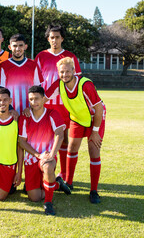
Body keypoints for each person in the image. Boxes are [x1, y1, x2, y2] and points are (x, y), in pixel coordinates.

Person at [45, 57, 106, 204]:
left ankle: (94, 190)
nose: (64, 74)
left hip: (94, 119)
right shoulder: (59, 84)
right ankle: (69, 182)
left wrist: (95, 131)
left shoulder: (85, 85)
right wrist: (30, 108)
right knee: (71, 149)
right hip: (77, 118)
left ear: (74, 71)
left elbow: (98, 108)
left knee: (94, 151)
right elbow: (44, 98)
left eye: (67, 71)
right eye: (61, 72)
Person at [35, 24, 82, 181]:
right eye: (51, 37)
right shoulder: (41, 56)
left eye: (57, 37)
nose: (54, 40)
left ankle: (65, 175)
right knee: (46, 140)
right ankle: (47, 175)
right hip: (46, 106)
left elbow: (78, 80)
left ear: (62, 38)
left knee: (65, 140)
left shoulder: (69, 57)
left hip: (66, 106)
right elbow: (36, 82)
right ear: (48, 39)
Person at [18, 86, 71, 216]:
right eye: (31, 99)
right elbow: (21, 142)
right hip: (32, 158)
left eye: (37, 98)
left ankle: (48, 203)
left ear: (43, 99)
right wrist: (37, 155)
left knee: (47, 168)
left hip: (48, 156)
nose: (34, 102)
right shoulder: (24, 117)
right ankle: (56, 183)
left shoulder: (52, 113)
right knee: (34, 197)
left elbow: (60, 134)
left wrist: (51, 155)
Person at [0, 34, 43, 114]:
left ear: (25, 47)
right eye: (15, 46)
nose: (18, 49)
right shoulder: (3, 66)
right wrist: (10, 109)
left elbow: (38, 89)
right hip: (10, 112)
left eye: (20, 45)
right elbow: (0, 90)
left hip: (30, 111)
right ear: (10, 47)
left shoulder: (33, 65)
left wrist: (31, 108)